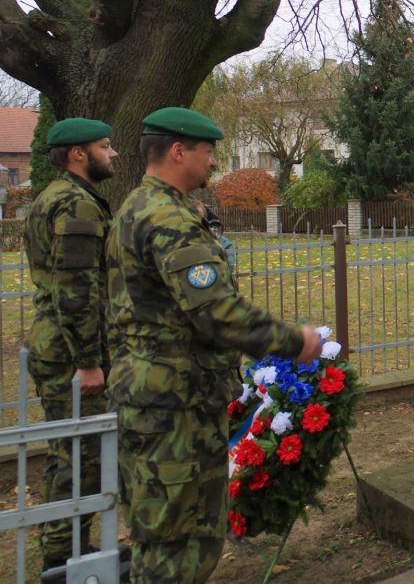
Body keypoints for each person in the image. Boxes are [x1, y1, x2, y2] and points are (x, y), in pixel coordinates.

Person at [107, 107, 321, 583]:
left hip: (156, 396)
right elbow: (217, 312)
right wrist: (295, 341)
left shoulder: (136, 206)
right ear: (178, 151)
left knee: (167, 536)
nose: (213, 161)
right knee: (178, 545)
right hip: (172, 408)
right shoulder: (168, 219)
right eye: (207, 151)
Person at [23, 118, 119, 576]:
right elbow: (76, 289)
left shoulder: (53, 196)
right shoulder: (75, 204)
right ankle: (63, 562)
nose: (113, 153)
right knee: (79, 458)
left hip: (55, 345)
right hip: (68, 353)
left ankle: (66, 551)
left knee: (71, 451)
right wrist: (88, 362)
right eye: (104, 146)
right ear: (79, 154)